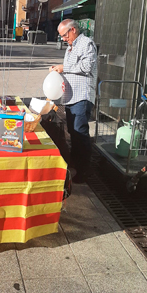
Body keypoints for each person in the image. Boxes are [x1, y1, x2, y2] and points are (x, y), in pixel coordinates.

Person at [49, 19, 97, 183]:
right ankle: (75, 164)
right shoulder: (71, 47)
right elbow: (70, 68)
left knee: (80, 133)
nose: (63, 39)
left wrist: (65, 68)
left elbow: (86, 67)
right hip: (71, 97)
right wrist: (58, 69)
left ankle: (84, 170)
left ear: (73, 30)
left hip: (81, 97)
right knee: (73, 132)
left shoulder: (86, 44)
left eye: (64, 35)